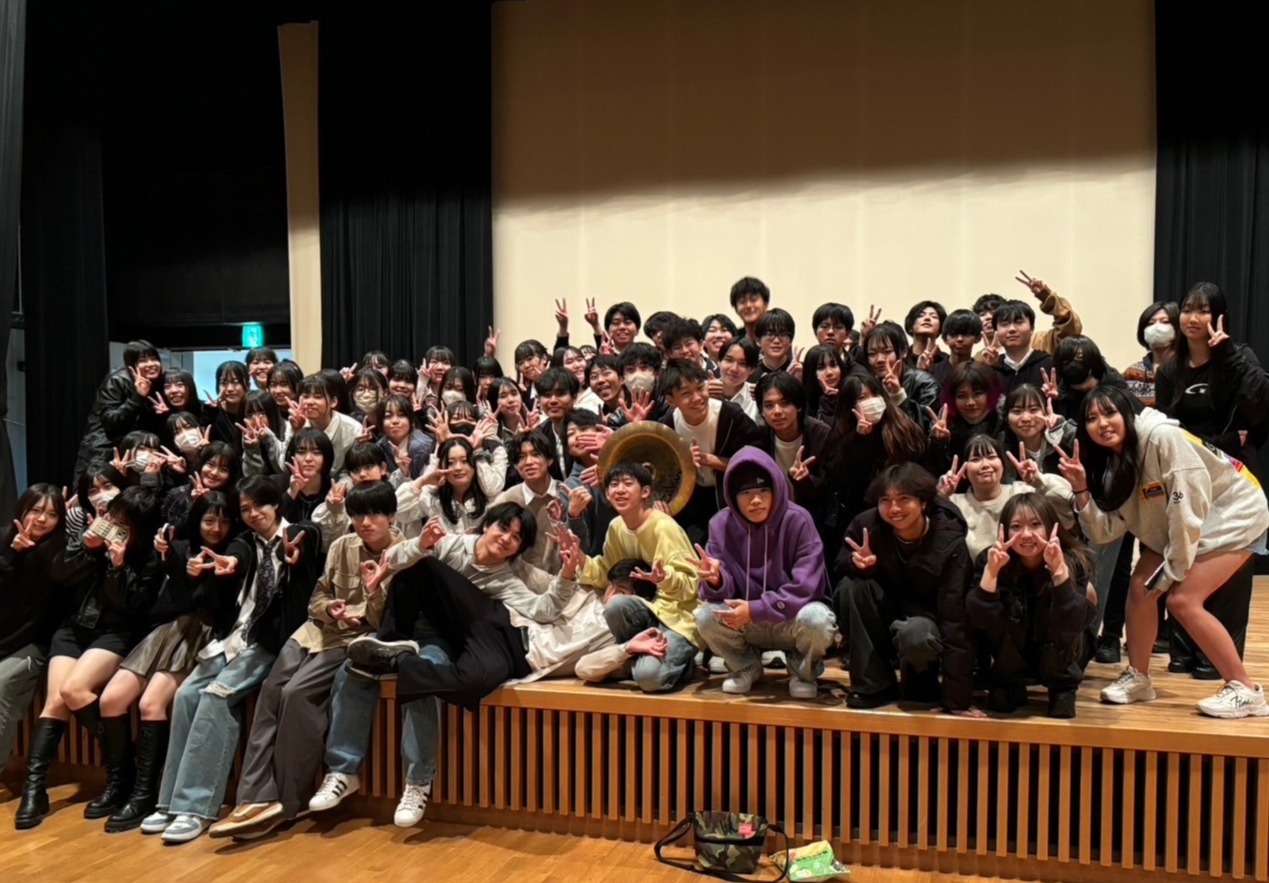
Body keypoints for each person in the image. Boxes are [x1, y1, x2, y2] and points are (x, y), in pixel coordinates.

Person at [1058, 386, 1269, 718]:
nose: (1102, 423)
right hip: (1183, 525)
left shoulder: (1162, 437)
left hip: (1235, 514)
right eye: (1092, 418)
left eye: (1110, 413)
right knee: (1140, 589)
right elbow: (1105, 531)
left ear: (1127, 412)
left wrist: (1174, 568)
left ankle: (1246, 689)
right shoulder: (1115, 464)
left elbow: (1188, 509)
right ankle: (1139, 678)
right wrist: (1081, 489)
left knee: (1182, 600)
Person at [208, 483, 403, 841]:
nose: (365, 522)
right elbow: (318, 596)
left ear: (392, 516)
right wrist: (329, 609)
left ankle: (287, 801)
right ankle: (254, 796)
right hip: (314, 631)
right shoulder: (343, 545)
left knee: (296, 695)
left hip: (353, 639)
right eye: (358, 514)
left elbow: (387, 622)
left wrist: (369, 595)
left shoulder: (404, 555)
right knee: (271, 693)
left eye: (375, 513)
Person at [144, 477, 321, 843]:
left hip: (272, 643)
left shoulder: (301, 534)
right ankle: (169, 802)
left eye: (260, 505)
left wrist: (294, 558)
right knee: (185, 695)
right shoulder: (245, 542)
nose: (253, 514)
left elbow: (307, 548)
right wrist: (232, 564)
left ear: (276, 504)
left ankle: (196, 807)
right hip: (234, 638)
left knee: (216, 695)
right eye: (245, 509)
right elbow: (238, 554)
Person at [15, 485, 161, 829]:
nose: (115, 526)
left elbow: (131, 607)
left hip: (114, 633)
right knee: (55, 700)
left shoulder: (149, 557)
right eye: (114, 518)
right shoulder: (90, 537)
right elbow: (59, 574)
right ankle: (34, 791)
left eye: (124, 524)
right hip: (73, 629)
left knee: (73, 690)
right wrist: (86, 546)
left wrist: (117, 566)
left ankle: (120, 773)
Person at [97, 492, 240, 831]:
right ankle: (120, 784)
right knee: (110, 700)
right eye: (209, 520)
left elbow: (223, 600)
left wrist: (209, 573)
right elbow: (170, 564)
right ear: (196, 520)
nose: (216, 528)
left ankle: (145, 795)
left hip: (202, 634)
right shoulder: (178, 547)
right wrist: (171, 557)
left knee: (150, 704)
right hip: (166, 631)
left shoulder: (235, 551)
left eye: (223, 521)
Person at [690, 451, 837, 698]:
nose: (755, 500)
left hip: (789, 618)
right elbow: (718, 589)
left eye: (763, 491)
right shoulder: (720, 524)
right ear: (732, 496)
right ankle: (745, 667)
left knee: (817, 619)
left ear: (776, 489)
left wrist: (756, 609)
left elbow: (806, 587)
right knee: (705, 615)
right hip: (745, 620)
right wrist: (716, 579)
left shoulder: (798, 519)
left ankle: (803, 672)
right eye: (745, 493)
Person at [832, 464, 974, 713]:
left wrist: (956, 700)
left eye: (904, 499)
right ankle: (873, 684)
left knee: (916, 634)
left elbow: (955, 618)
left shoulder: (949, 540)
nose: (894, 508)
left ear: (924, 502)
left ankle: (920, 678)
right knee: (851, 587)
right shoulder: (866, 526)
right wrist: (860, 566)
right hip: (883, 612)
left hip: (926, 624)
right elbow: (840, 565)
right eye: (885, 500)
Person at [967, 494, 1097, 718]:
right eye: (1016, 527)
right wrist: (991, 573)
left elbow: (1072, 622)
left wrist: (1059, 573)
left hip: (1062, 655)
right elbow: (979, 620)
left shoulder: (1075, 559)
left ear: (1051, 526)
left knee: (1065, 605)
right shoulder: (991, 558)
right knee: (1003, 608)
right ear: (1004, 530)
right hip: (1011, 657)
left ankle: (1062, 686)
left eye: (1036, 524)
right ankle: (1009, 681)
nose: (1026, 535)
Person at [576, 463, 701, 693]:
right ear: (606, 494)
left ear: (645, 492)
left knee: (649, 679)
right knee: (616, 604)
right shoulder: (616, 527)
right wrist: (579, 558)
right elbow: (607, 572)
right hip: (646, 609)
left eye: (627, 483)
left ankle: (678, 664)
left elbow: (692, 585)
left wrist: (664, 579)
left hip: (676, 618)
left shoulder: (664, 527)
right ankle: (638, 654)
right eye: (614, 485)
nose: (620, 490)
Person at [1154, 282, 1269, 474]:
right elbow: (1168, 431)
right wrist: (1224, 442)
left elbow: (1262, 399)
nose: (1192, 318)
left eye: (1203, 311)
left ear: (1219, 316)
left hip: (1236, 465)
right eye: (1186, 310)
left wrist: (1229, 355)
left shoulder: (1240, 355)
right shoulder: (1168, 372)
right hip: (1189, 465)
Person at [1, 487, 70, 791]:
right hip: (4, 637)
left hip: (33, 644)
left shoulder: (61, 551)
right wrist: (12, 555)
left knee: (2, 685)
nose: (42, 519)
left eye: (52, 514)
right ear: (22, 509)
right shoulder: (5, 540)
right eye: (36, 510)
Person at [657, 359, 764, 543]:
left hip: (733, 497)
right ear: (671, 400)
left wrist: (710, 461)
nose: (697, 398)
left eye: (700, 388)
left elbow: (757, 462)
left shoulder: (731, 415)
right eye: (686, 393)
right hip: (692, 504)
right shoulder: (667, 426)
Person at [937, 434, 1075, 560]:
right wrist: (940, 496)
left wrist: (1038, 481)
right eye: (975, 459)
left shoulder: (1022, 492)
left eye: (991, 457)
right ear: (964, 472)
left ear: (1003, 465)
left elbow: (1067, 517)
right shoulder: (953, 504)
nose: (985, 465)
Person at [755, 371, 832, 520]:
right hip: (772, 517)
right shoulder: (758, 438)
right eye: (769, 405)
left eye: (785, 403)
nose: (777, 412)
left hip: (813, 518)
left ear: (798, 406)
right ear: (762, 411)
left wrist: (805, 480)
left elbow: (829, 490)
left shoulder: (821, 434)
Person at [492, 431, 570, 572]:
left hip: (567, 575)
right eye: (521, 457)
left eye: (536, 454)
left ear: (550, 460)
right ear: (515, 465)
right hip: (522, 578)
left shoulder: (566, 493)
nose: (529, 462)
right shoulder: (507, 499)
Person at [862, 321, 940, 433]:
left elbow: (922, 432)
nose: (879, 359)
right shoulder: (870, 385)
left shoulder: (926, 384)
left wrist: (898, 396)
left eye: (887, 351)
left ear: (904, 352)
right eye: (872, 353)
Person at [980, 300, 1055, 393]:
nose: (1012, 329)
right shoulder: (992, 368)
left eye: (1019, 322)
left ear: (1032, 328)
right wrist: (988, 369)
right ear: (996, 331)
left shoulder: (1049, 364)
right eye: (1004, 324)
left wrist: (1057, 397)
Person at [1122, 301, 1179, 409]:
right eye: (1150, 323)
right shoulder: (1132, 373)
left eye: (1165, 322)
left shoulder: (1187, 369)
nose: (1157, 327)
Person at [714, 337, 760, 422]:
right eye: (729, 360)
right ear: (719, 362)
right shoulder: (704, 391)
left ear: (751, 370)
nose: (734, 369)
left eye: (743, 364)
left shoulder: (757, 395)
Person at [904, 301, 949, 378]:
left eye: (934, 316)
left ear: (940, 329)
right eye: (921, 315)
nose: (927, 318)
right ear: (910, 326)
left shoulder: (947, 362)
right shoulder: (902, 360)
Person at [751, 308, 798, 382]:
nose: (776, 341)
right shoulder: (749, 374)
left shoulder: (799, 371)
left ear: (790, 341)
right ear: (758, 341)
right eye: (770, 334)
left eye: (783, 334)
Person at [730, 276, 770, 343]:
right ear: (736, 309)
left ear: (765, 304)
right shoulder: (733, 341)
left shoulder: (777, 338)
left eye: (753, 299)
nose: (748, 305)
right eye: (742, 301)